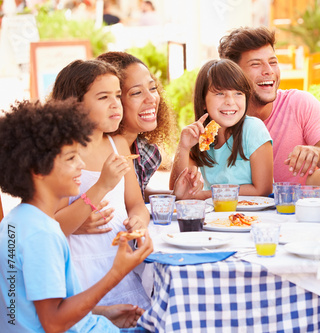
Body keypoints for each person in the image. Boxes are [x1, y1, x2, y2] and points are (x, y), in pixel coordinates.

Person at [0, 99, 153, 332]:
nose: (81, 164)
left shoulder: (15, 222)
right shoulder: (42, 233)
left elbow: (28, 311)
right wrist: (117, 273)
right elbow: (53, 323)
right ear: (38, 170)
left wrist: (102, 314)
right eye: (71, 158)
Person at [50, 59, 151, 309]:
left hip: (118, 265)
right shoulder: (63, 153)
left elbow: (136, 204)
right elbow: (52, 228)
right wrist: (102, 186)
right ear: (74, 105)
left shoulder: (119, 146)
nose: (115, 103)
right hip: (81, 270)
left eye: (117, 95)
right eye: (103, 97)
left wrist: (139, 221)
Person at [218, 26, 320, 185]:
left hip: (304, 209)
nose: (269, 71)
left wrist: (318, 154)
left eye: (273, 62)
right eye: (256, 64)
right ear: (233, 74)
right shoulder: (220, 120)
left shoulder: (300, 104)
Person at [96, 51, 201, 202]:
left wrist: (174, 196)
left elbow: (136, 195)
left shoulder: (146, 152)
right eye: (137, 92)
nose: (152, 98)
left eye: (152, 88)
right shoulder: (94, 153)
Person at [169, 59, 273, 199]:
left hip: (255, 213)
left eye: (238, 93)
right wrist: (183, 147)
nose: (230, 101)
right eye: (220, 93)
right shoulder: (201, 136)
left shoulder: (253, 129)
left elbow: (263, 189)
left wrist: (204, 195)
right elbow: (178, 188)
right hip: (217, 216)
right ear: (203, 101)